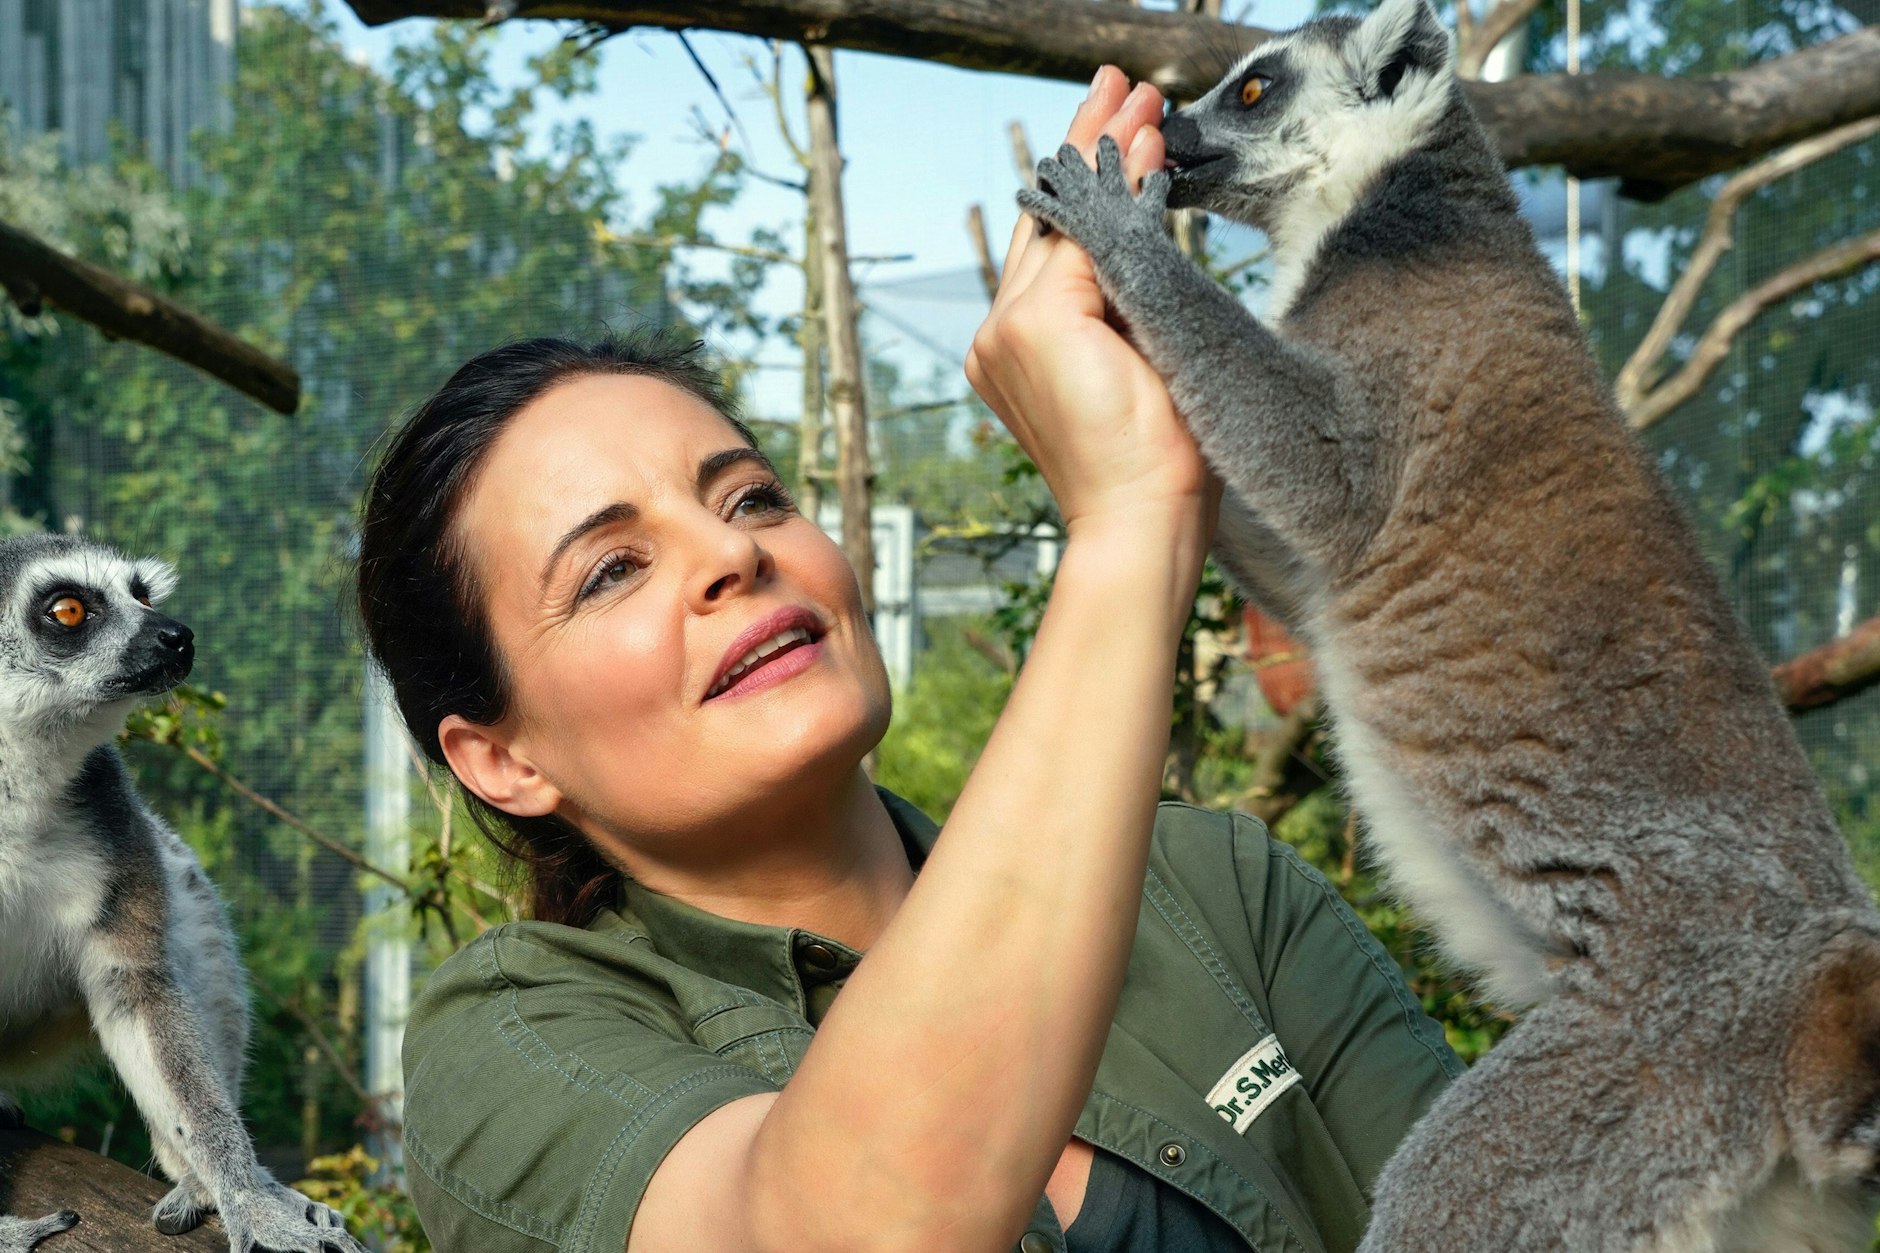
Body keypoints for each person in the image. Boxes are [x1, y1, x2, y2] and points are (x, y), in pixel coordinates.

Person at [355, 69, 1460, 1253]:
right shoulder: (513, 1041)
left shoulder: (1208, 887)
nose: (731, 550)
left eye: (752, 497)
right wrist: (1133, 519)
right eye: (611, 569)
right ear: (500, 758)